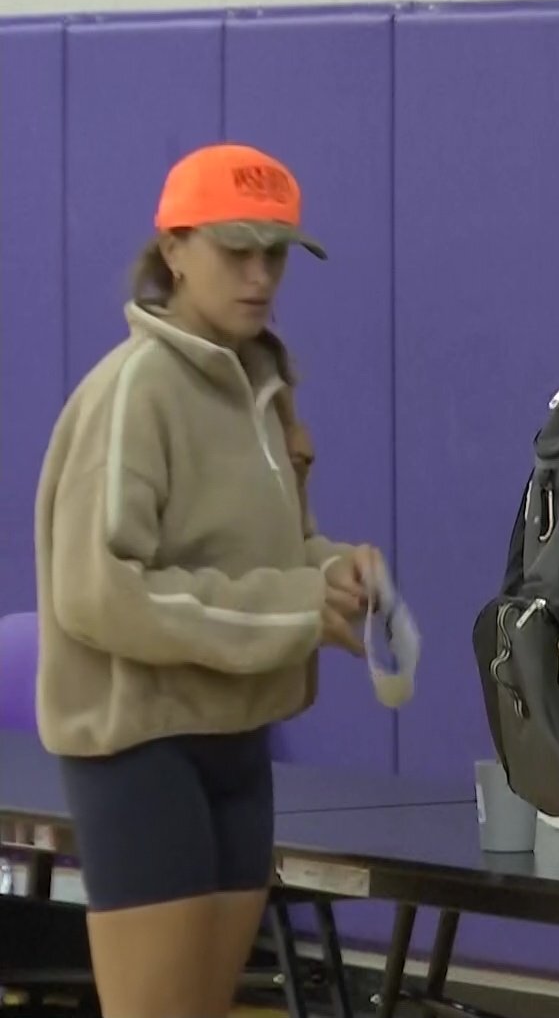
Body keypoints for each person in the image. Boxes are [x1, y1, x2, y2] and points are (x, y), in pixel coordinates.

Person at [32, 142, 383, 1018]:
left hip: (238, 737)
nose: (260, 276)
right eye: (237, 252)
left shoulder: (264, 384)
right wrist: (295, 611)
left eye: (276, 256)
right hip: (143, 748)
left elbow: (272, 555)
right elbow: (100, 592)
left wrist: (332, 571)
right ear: (175, 250)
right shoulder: (134, 392)